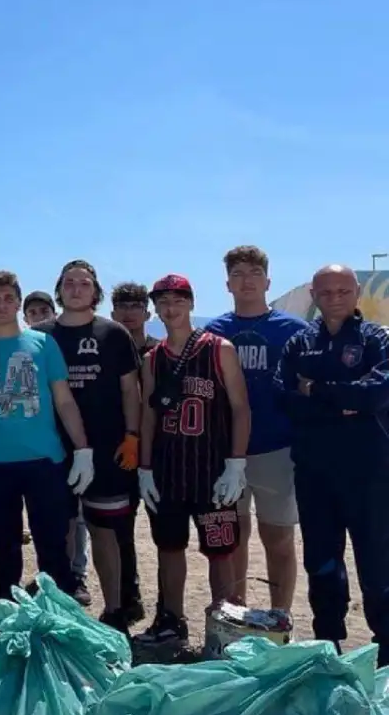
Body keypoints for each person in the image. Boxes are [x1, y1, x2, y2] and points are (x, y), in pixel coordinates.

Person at [0, 271, 95, 601]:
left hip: (45, 460)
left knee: (52, 541)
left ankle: (55, 608)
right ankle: (7, 603)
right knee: (4, 543)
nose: (1, 305)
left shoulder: (43, 344)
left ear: (18, 301)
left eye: (8, 298)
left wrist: (83, 449)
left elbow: (64, 400)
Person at [274, 264, 389, 665]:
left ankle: (386, 647)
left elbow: (375, 395)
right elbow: (286, 398)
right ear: (313, 294)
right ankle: (328, 642)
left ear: (357, 292)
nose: (335, 298)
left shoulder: (378, 340)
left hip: (371, 472)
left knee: (378, 563)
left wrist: (319, 391)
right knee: (322, 560)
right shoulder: (299, 343)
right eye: (326, 292)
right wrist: (343, 402)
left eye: (343, 291)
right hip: (314, 471)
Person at [137, 274, 250, 648]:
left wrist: (236, 462)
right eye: (163, 302)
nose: (171, 309)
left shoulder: (219, 349)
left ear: (191, 303)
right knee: (169, 547)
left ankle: (225, 627)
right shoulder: (152, 359)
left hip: (211, 469)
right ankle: (171, 620)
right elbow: (149, 413)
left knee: (221, 551)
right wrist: (145, 467)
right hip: (170, 470)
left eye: (178, 300)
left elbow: (240, 408)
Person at [34, 260, 144, 629]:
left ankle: (115, 613)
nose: (76, 289)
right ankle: (62, 611)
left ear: (95, 292)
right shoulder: (40, 336)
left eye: (84, 283)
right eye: (69, 283)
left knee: (106, 531)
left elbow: (131, 389)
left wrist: (133, 436)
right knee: (58, 531)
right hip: (54, 450)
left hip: (109, 449)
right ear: (59, 290)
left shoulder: (113, 334)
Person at [206, 246, 307, 611]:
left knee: (278, 538)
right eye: (237, 274)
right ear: (227, 283)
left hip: (277, 449)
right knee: (232, 539)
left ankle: (280, 616)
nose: (246, 281)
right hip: (227, 451)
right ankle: (237, 615)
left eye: (253, 273)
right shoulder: (214, 333)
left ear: (267, 280)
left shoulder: (294, 330)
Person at [111, 283, 161, 356]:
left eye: (136, 306)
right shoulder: (102, 350)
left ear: (147, 315)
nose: (129, 312)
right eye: (122, 306)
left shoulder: (160, 351)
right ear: (113, 315)